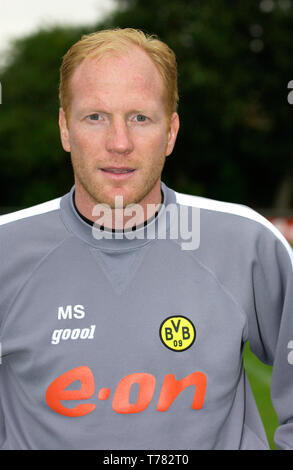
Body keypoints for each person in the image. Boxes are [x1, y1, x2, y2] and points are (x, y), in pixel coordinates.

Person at [0, 27, 292, 451]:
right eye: (95, 117)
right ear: (65, 128)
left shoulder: (248, 244)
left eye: (140, 117)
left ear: (170, 132)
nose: (119, 143)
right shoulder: (6, 252)